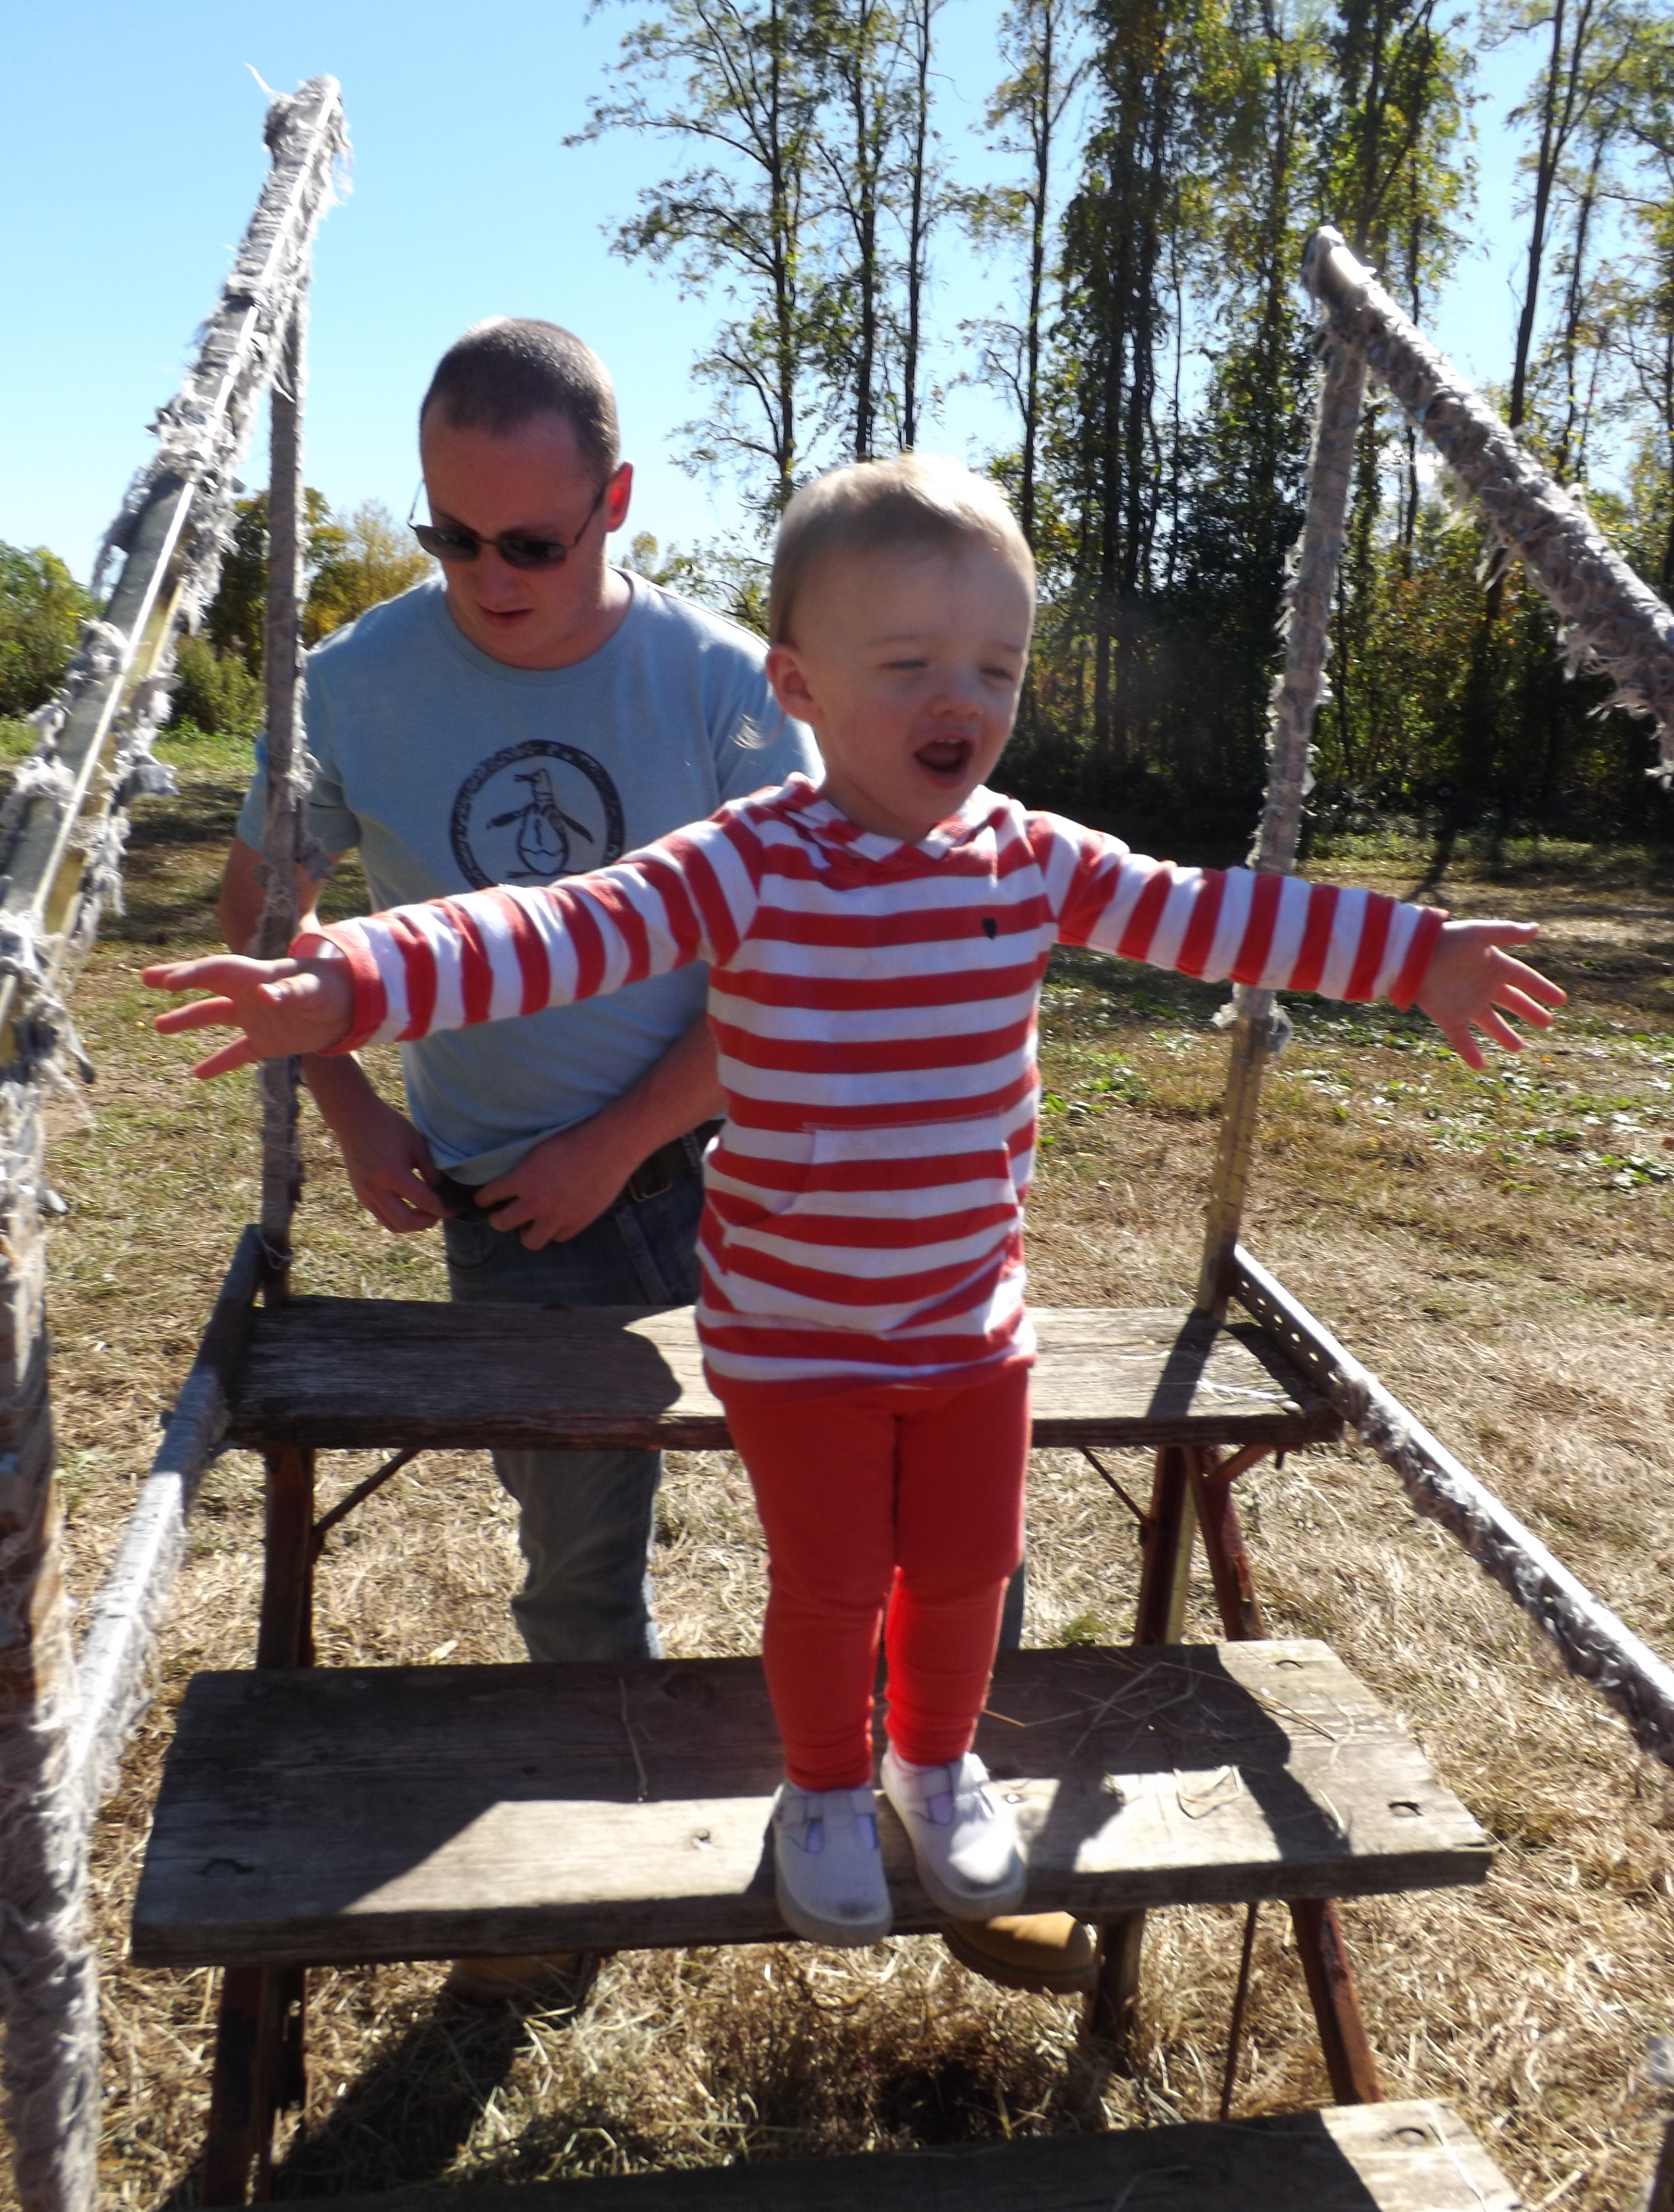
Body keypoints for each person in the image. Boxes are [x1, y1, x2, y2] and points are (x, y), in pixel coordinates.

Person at [158, 454, 1565, 1946]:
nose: (958, 697)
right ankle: (822, 1787)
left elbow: (1211, 910)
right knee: (832, 1584)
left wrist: (1410, 957)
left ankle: (936, 1763)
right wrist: (355, 980)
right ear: (800, 687)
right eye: (906, 665)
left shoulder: (1031, 862)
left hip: (970, 1319)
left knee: (967, 1571)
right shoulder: (750, 864)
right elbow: (559, 928)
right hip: (792, 1331)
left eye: (993, 666)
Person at [219, 316, 819, 1995]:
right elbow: (271, 917)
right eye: (450, 533)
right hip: (509, 1208)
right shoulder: (349, 677)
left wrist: (623, 1139)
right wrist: (354, 1111)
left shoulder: (717, 681)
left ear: (617, 501)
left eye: (533, 541)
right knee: (574, 1562)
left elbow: (794, 958)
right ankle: (580, 1884)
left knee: (859, 1515)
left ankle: (915, 1808)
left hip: (743, 1178)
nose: (489, 574)